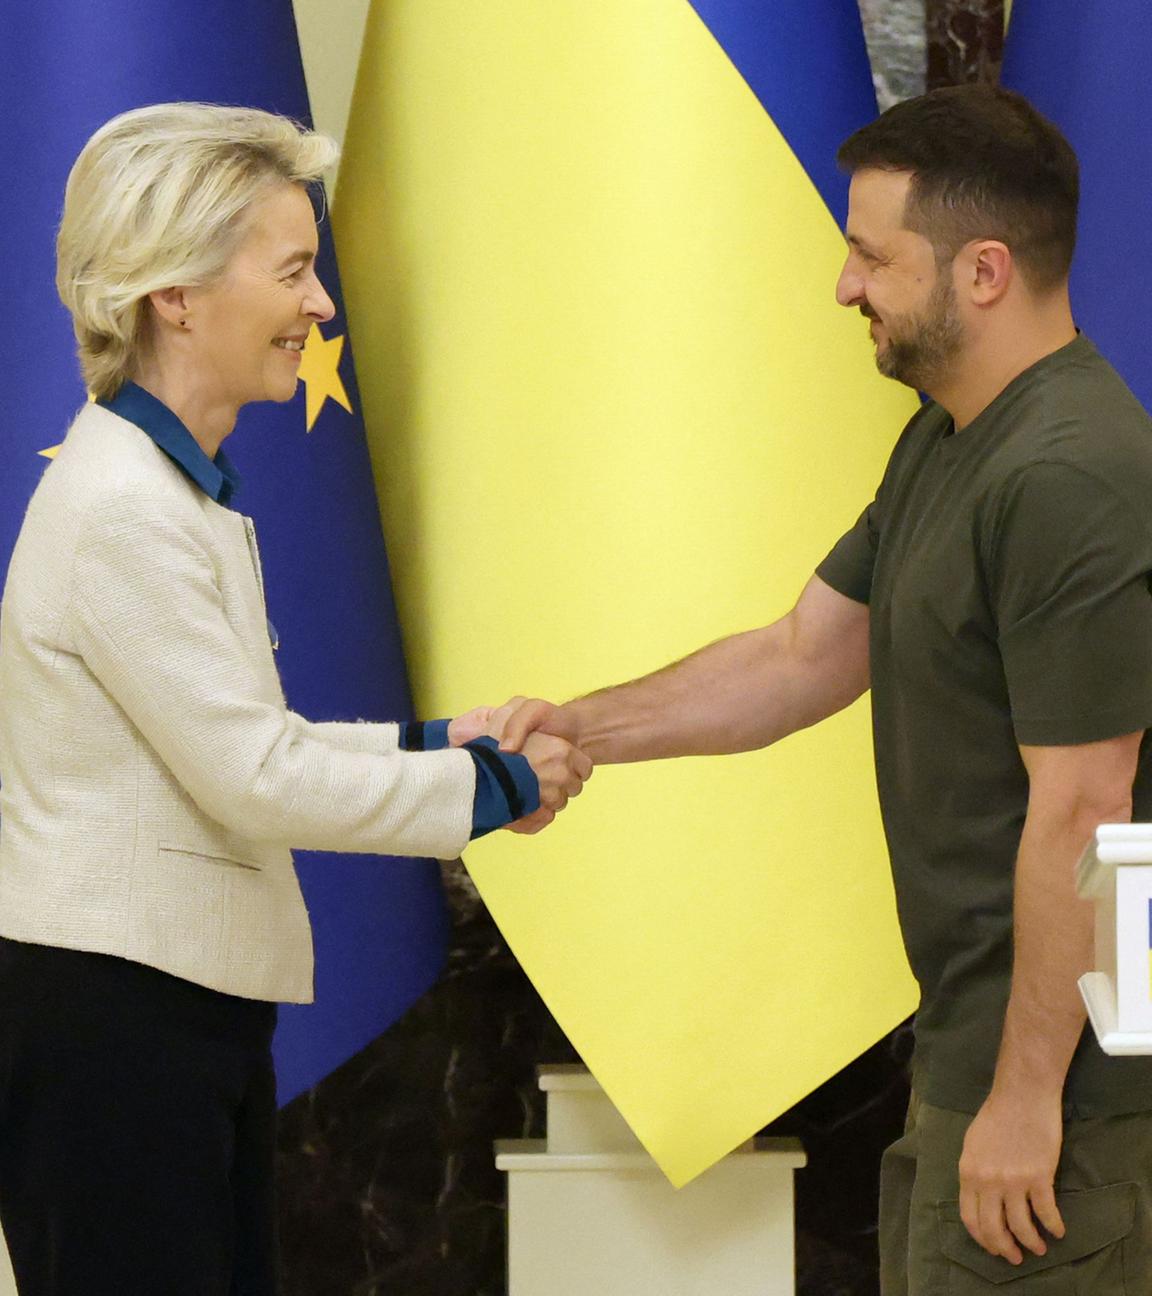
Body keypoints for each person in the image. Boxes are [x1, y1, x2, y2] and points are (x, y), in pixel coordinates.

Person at [493, 85, 1152, 1291]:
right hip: (973, 1065)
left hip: (1073, 1106)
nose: (844, 287)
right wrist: (572, 731)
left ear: (985, 272)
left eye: (869, 256)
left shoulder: (1072, 477)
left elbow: (1091, 815)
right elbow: (802, 656)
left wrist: (1023, 1100)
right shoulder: (952, 438)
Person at [0, 102, 591, 1296]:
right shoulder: (124, 507)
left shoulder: (176, 494)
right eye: (293, 270)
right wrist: (489, 787)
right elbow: (253, 779)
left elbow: (237, 744)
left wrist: (437, 742)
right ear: (177, 293)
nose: (321, 307)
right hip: (117, 1025)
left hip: (170, 1013)